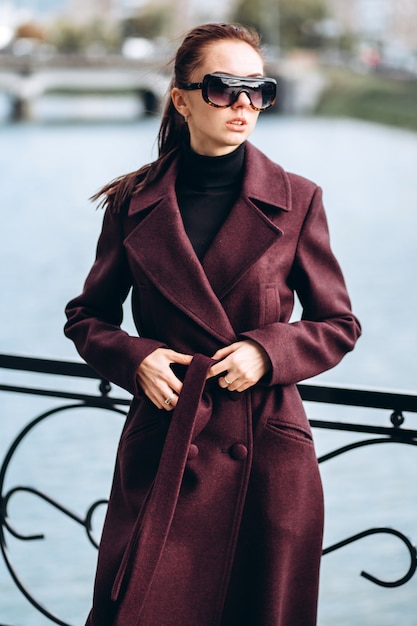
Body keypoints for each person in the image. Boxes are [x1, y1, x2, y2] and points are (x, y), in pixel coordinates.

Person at [64, 22, 361, 626]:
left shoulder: (298, 198)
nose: (244, 104)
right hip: (167, 449)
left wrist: (269, 351)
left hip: (267, 457)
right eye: (224, 88)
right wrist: (136, 357)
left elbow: (338, 322)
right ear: (182, 97)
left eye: (259, 89)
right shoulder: (133, 203)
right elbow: (88, 316)